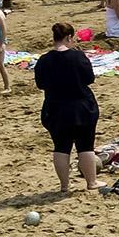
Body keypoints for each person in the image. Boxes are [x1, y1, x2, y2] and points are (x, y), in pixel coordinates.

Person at [34, 21, 99, 193]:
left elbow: (40, 84)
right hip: (81, 106)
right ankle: (91, 182)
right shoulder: (78, 57)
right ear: (69, 37)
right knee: (85, 145)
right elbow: (89, 79)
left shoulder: (44, 60)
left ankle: (64, 185)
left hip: (55, 108)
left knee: (61, 147)